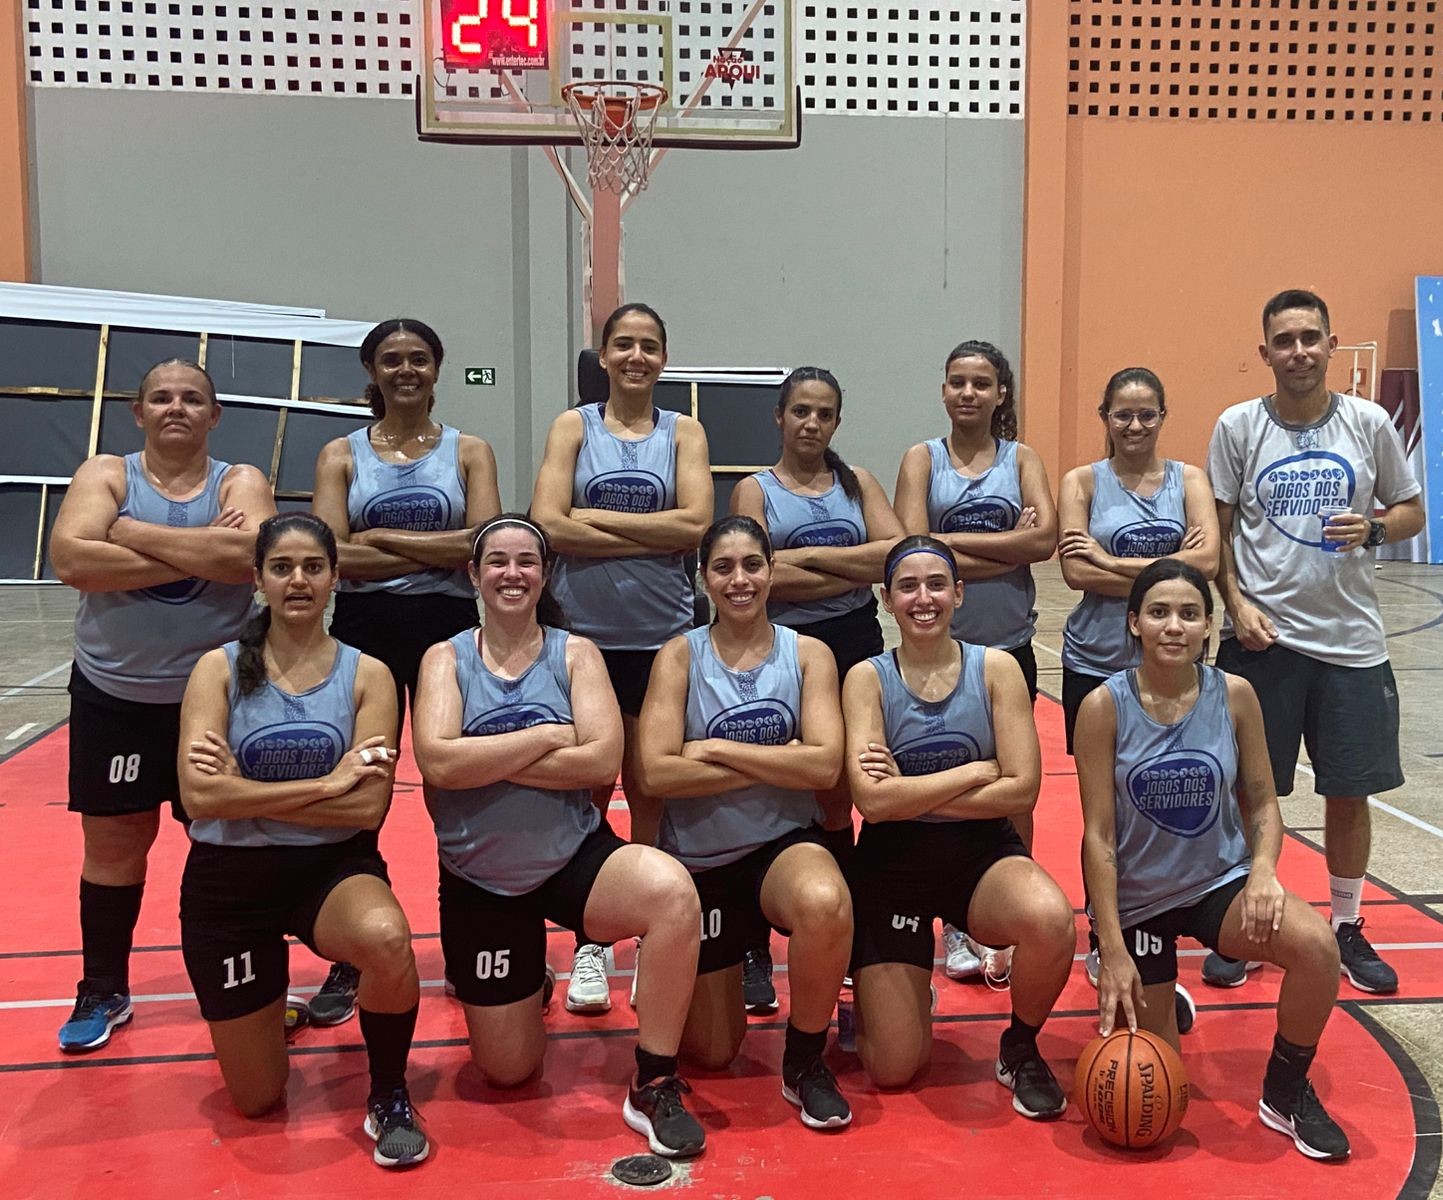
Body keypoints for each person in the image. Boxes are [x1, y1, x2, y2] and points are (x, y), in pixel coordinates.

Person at [411, 515, 707, 1158]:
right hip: (480, 878)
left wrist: (483, 756)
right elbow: (438, 763)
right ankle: (530, 982)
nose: (512, 573)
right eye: (497, 561)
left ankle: (653, 1081)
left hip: (572, 856)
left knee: (671, 892)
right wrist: (549, 735)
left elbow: (601, 761)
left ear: (545, 574)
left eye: (526, 561)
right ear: (473, 574)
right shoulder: (444, 659)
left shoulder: (576, 653)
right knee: (508, 1071)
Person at [177, 513, 428, 1168]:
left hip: (329, 869)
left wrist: (244, 789)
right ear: (257, 579)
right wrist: (325, 785)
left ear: (335, 578)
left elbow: (366, 807)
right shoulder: (215, 670)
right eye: (282, 568)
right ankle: (269, 1012)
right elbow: (200, 798)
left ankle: (388, 1092)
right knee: (258, 1099)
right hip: (228, 880)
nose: (298, 581)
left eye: (313, 567)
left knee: (387, 940)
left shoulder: (368, 675)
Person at [1077, 559, 1349, 1160]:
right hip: (1141, 903)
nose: (1174, 626)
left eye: (1189, 614)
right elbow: (1098, 836)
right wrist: (1110, 948)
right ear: (1135, 623)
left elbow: (1263, 804)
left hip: (1217, 883)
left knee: (1316, 948)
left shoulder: (1235, 695)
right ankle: (1160, 989)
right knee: (1153, 1091)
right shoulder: (1103, 707)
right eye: (1159, 612)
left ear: (1207, 626)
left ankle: (1285, 1091)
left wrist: (1263, 871)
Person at [48, 359, 275, 1053]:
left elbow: (253, 560)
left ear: (214, 415)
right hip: (115, 695)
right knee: (115, 844)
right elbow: (73, 562)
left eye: (192, 398)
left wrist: (128, 533)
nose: (177, 407)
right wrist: (206, 550)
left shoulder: (240, 480)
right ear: (138, 411)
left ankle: (243, 979)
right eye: (162, 397)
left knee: (229, 843)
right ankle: (103, 987)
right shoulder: (106, 474)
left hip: (216, 700)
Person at [1206, 289, 1424, 994]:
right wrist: (1234, 605)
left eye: (1309, 338)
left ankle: (1347, 924)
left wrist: (1376, 528)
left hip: (1350, 643)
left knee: (1348, 793)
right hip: (1260, 644)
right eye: (1284, 340)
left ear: (1331, 345)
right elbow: (1216, 533)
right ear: (1264, 351)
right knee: (1250, 791)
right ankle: (1244, 917)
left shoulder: (1368, 422)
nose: (1298, 351)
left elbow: (1412, 510)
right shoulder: (1237, 426)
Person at [841, 536, 1074, 1118]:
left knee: (1050, 919)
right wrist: (975, 771)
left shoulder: (996, 669)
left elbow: (1022, 790)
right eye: (908, 587)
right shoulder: (867, 678)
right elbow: (873, 803)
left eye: (936, 584)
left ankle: (1019, 1048)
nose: (923, 598)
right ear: (886, 600)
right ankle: (894, 990)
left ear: (959, 593)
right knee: (893, 1070)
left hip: (980, 858)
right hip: (893, 869)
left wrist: (909, 793)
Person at [310, 316, 500, 1024]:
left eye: (418, 358)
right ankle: (351, 948)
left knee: (458, 787)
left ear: (437, 368)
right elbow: (332, 556)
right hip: (364, 633)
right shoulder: (341, 454)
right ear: (373, 371)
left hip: (447, 630)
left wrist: (381, 537)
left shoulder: (469, 451)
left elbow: (479, 546)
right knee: (361, 788)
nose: (406, 370)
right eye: (391, 360)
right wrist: (431, 546)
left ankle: (468, 941)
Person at [637, 516, 853, 1131]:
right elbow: (656, 773)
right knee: (712, 1051)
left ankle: (804, 1061)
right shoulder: (680, 656)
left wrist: (713, 750)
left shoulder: (808, 654)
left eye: (753, 565)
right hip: (702, 862)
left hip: (782, 845)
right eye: (724, 567)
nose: (740, 580)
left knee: (825, 900)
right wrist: (778, 761)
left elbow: (824, 765)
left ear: (772, 571)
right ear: (703, 578)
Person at [531, 303, 712, 1014]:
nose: (637, 357)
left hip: (660, 639)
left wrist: (590, 523)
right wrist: (648, 532)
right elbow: (548, 524)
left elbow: (695, 525)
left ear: (663, 358)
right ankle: (591, 940)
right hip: (583, 640)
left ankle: (652, 939)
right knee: (587, 791)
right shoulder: (573, 427)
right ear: (603, 356)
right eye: (624, 345)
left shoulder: (683, 432)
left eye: (650, 346)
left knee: (651, 792)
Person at [728, 366, 902, 1012]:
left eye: (824, 413)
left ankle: (847, 931)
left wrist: (800, 563)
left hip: (854, 644)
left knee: (839, 793)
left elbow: (893, 556)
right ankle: (750, 945)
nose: (811, 423)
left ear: (836, 422)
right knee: (766, 788)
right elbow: (756, 574)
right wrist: (847, 566)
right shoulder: (754, 489)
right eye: (800, 411)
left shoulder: (860, 484)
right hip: (779, 650)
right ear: (779, 416)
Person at [1056, 367, 1219, 1031]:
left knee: (1160, 803)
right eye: (1122, 414)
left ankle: (1157, 928)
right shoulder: (1081, 482)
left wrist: (1111, 563)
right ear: (1105, 417)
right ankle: (1106, 935)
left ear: (1161, 417)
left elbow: (1208, 566)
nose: (1133, 425)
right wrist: (1167, 569)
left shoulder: (1190, 481)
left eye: (1146, 414)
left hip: (1173, 673)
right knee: (1103, 811)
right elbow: (1073, 570)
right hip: (1094, 666)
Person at [892, 340, 1057, 980]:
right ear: (943, 390)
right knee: (943, 782)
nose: (968, 393)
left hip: (1008, 651)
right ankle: (955, 922)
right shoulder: (921, 459)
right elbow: (913, 549)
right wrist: (1005, 542)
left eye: (981, 383)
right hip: (935, 657)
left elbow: (1044, 541)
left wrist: (950, 544)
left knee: (1010, 789)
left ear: (1000, 393)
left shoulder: (1023, 458)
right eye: (957, 381)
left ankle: (1006, 912)